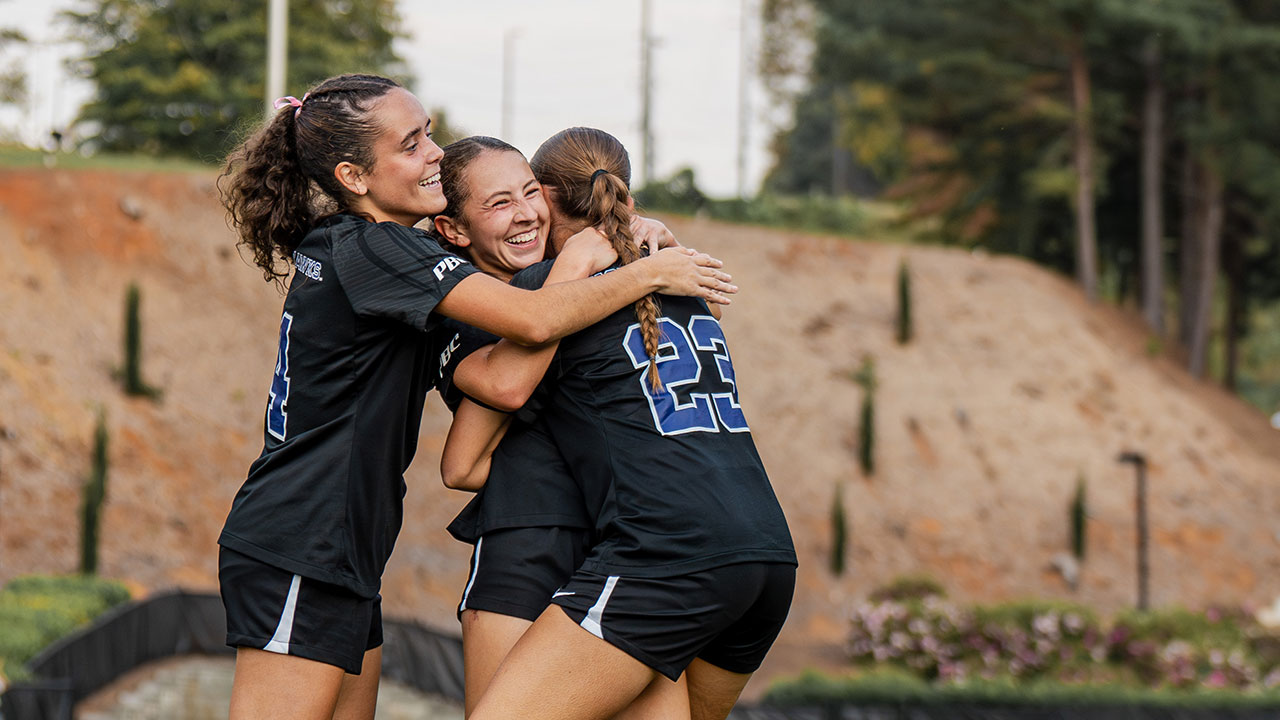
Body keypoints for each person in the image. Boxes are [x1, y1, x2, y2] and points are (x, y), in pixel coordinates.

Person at [215, 74, 735, 720]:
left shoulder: (391, 251)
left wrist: (623, 224)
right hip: (301, 539)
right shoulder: (372, 247)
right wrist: (648, 272)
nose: (434, 151)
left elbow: (500, 325)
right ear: (353, 176)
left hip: (343, 548)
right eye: (411, 144)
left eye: (428, 133)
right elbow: (534, 319)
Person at [449, 127, 795, 720]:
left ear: (549, 197)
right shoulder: (676, 281)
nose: (525, 212)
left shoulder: (542, 292)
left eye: (528, 192)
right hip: (765, 553)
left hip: (668, 552)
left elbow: (462, 464)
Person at [427, 135, 691, 718]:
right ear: (453, 229)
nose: (525, 213)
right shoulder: (466, 311)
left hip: (627, 549)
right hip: (528, 543)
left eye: (530, 193)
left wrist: (641, 241)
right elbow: (463, 464)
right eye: (499, 203)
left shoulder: (591, 282)